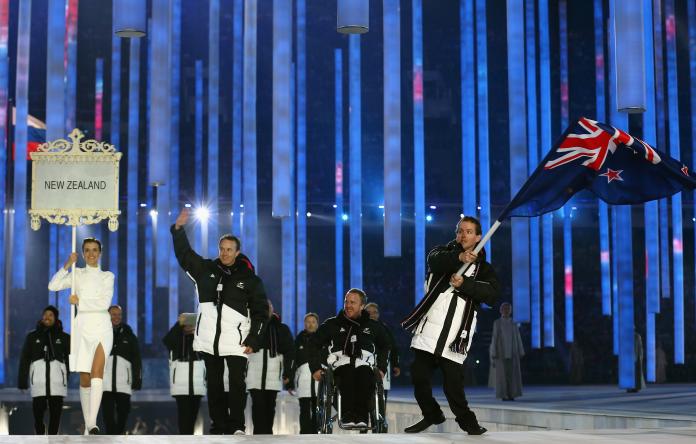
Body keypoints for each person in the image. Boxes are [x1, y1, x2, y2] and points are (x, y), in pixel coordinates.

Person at [171, 207, 268, 435]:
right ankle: (219, 425)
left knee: (236, 385)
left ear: (237, 252)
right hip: (208, 341)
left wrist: (254, 338)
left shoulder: (250, 280)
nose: (225, 253)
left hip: (236, 342)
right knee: (213, 386)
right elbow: (185, 256)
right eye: (222, 249)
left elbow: (261, 312)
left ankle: (237, 426)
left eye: (229, 250)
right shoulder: (206, 270)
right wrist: (178, 230)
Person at [401, 216, 499, 435]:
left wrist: (465, 284)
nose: (463, 235)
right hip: (429, 331)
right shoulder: (441, 253)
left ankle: (469, 425)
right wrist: (459, 257)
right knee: (418, 376)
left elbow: (492, 295)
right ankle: (431, 414)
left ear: (478, 237)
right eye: (460, 231)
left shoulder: (484, 269)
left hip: (456, 336)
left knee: (453, 387)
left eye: (469, 231)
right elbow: (434, 261)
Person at [48, 237, 114, 434]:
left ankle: (92, 424)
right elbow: (53, 286)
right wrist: (67, 264)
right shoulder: (76, 274)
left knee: (97, 373)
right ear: (83, 253)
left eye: (95, 250)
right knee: (85, 379)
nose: (91, 254)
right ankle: (88, 425)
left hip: (102, 325)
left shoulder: (108, 276)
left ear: (100, 253)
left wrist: (79, 302)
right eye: (87, 250)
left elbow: (104, 303)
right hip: (82, 327)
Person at [309, 289, 389, 428]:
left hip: (365, 365)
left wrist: (382, 368)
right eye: (346, 301)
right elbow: (313, 344)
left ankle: (362, 417)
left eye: (353, 302)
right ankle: (347, 415)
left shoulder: (373, 326)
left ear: (362, 306)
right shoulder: (332, 324)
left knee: (364, 375)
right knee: (348, 374)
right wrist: (315, 368)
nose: (348, 305)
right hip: (340, 366)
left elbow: (386, 345)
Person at [18, 305, 70, 434]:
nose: (47, 317)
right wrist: (22, 382)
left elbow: (69, 359)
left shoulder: (64, 337)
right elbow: (24, 359)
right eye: (45, 314)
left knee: (56, 415)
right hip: (39, 381)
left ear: (56, 318)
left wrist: (66, 376)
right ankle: (40, 437)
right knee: (38, 414)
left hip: (57, 382)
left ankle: (52, 440)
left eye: (51, 315)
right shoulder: (32, 336)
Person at [245, 301, 294, 434]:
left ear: (273, 309)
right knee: (257, 407)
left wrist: (288, 373)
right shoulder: (251, 326)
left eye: (269, 306)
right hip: (255, 373)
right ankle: (259, 436)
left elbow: (289, 351)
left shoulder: (281, 328)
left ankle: (267, 436)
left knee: (270, 407)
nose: (267, 309)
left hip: (273, 374)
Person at [163, 313, 207, 434]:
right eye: (186, 323)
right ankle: (184, 440)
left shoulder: (199, 338)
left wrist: (196, 331)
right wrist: (178, 324)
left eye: (191, 323)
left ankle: (189, 439)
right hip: (181, 386)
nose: (189, 326)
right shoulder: (177, 338)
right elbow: (167, 340)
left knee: (193, 417)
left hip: (197, 385)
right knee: (184, 418)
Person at [101, 305, 142, 434]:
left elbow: (137, 360)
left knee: (123, 415)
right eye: (113, 314)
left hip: (124, 384)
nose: (116, 317)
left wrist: (137, 379)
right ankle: (111, 439)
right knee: (107, 416)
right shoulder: (100, 334)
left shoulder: (129, 336)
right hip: (105, 384)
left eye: (119, 314)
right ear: (108, 315)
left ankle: (118, 438)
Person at [291, 312, 321, 434]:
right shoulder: (298, 339)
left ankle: (316, 434)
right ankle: (304, 435)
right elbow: (293, 360)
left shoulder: (322, 339)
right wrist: (290, 381)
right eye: (308, 322)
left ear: (317, 324)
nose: (310, 324)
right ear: (304, 324)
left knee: (317, 409)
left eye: (313, 322)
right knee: (304, 409)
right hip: (303, 381)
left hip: (319, 381)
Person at [364, 303, 400, 399]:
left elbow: (392, 346)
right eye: (369, 312)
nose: (372, 314)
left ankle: (381, 413)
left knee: (382, 396)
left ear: (378, 314)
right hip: (364, 365)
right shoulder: (359, 327)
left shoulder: (384, 328)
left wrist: (396, 364)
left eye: (375, 312)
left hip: (383, 365)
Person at [489, 302, 524, 401]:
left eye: (508, 309)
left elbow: (518, 338)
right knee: (502, 376)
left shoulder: (514, 323)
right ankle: (503, 395)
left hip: (512, 352)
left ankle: (512, 394)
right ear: (501, 310)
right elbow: (494, 338)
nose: (506, 311)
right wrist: (493, 352)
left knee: (512, 375)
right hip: (501, 352)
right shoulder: (497, 323)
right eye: (504, 309)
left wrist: (520, 351)